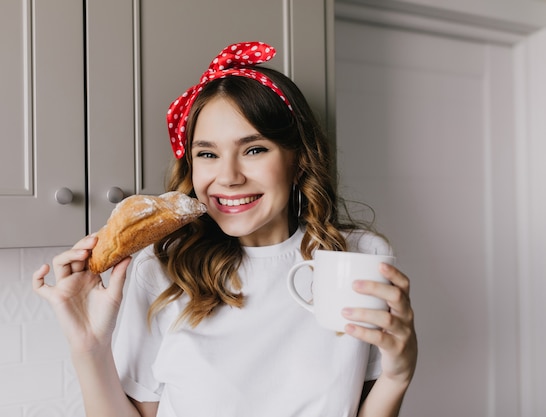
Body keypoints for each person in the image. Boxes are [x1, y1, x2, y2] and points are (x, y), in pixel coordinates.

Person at [32, 41, 417, 417]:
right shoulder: (163, 267)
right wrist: (88, 346)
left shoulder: (358, 258)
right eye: (208, 154)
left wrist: (398, 375)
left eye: (254, 149)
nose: (228, 177)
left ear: (299, 160)